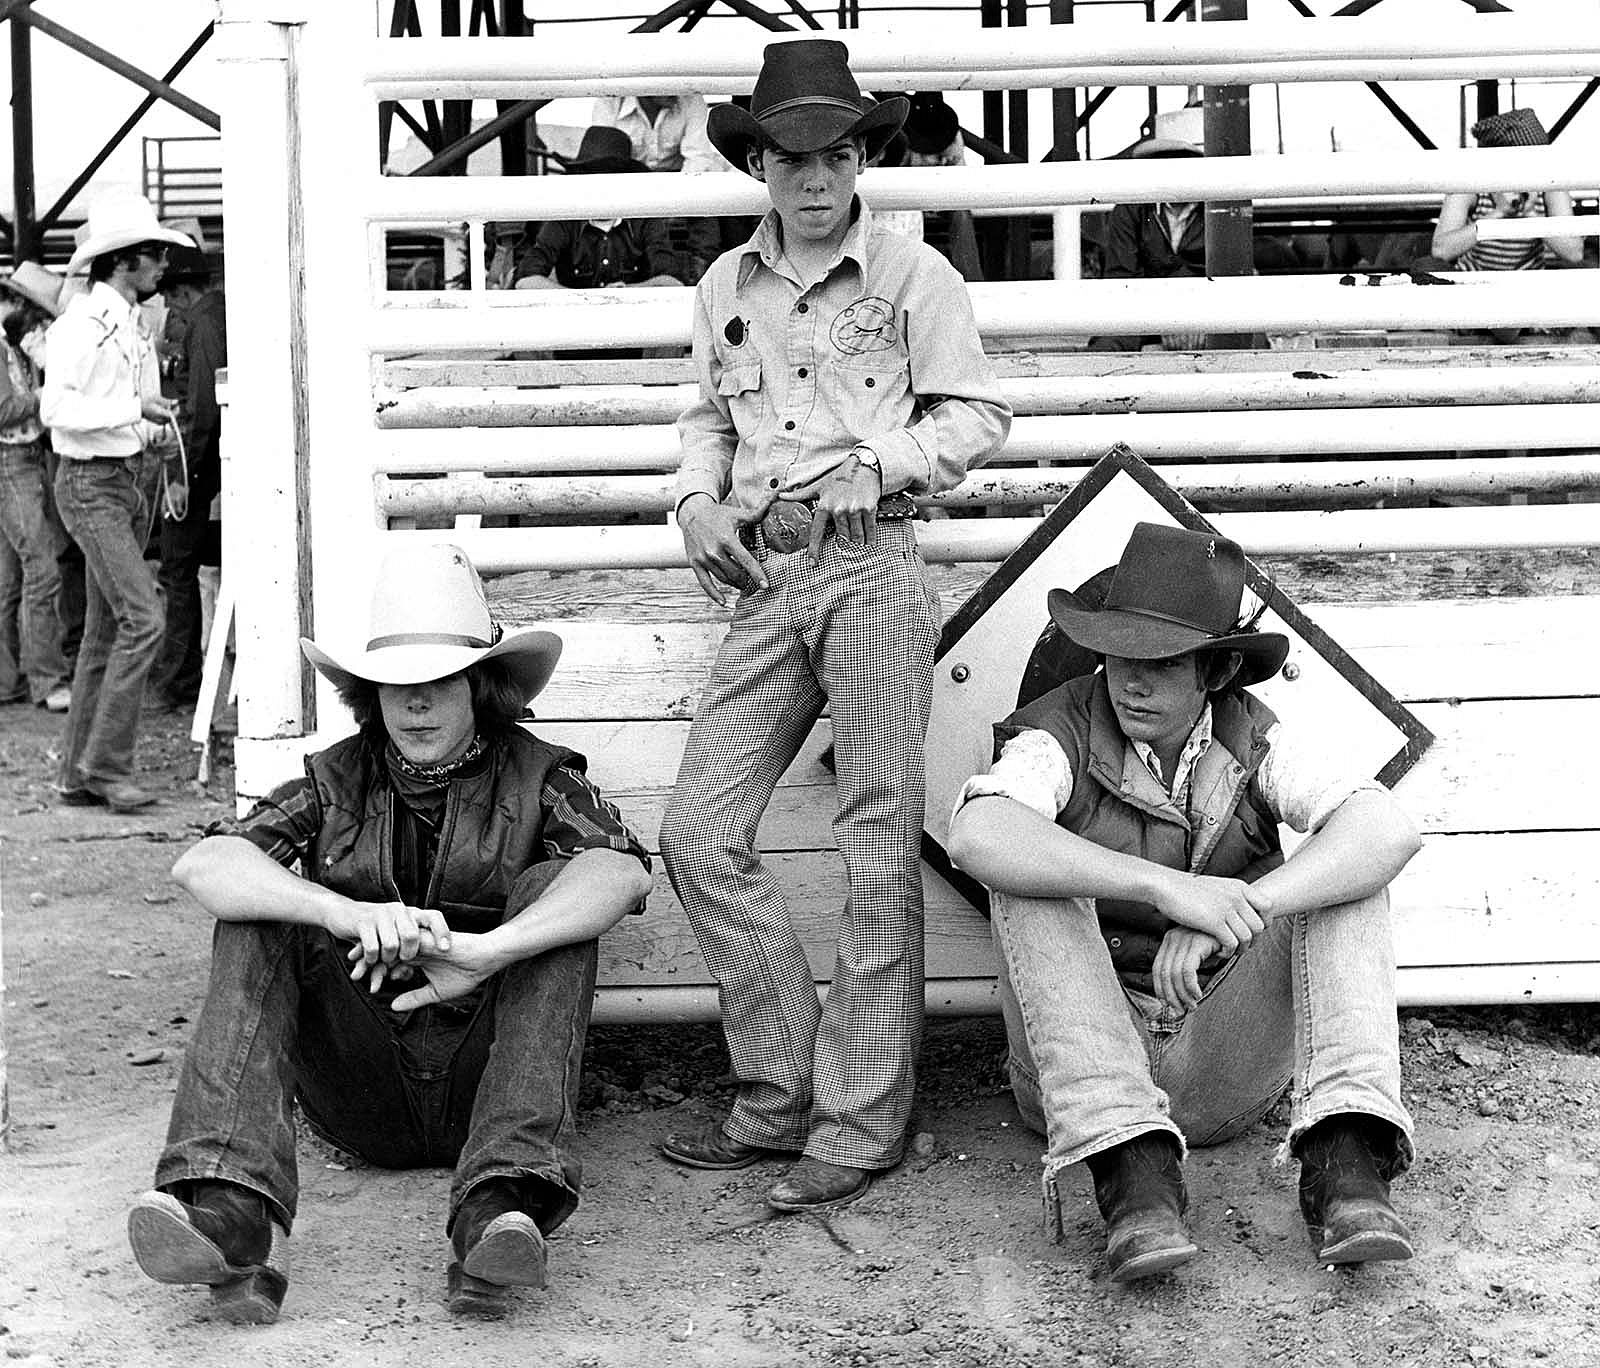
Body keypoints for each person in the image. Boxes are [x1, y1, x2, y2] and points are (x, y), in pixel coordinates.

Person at [656, 39, 1011, 1214]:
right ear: (757, 162)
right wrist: (697, 500)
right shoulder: (723, 287)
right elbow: (708, 417)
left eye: (839, 153)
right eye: (792, 155)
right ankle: (779, 1092)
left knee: (874, 843)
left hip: (872, 565)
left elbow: (979, 413)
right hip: (768, 577)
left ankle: (860, 1125)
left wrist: (885, 461)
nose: (816, 177)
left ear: (865, 158)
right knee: (701, 831)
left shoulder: (914, 276)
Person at [127, 542, 653, 1324]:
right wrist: (343, 911)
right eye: (394, 686)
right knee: (259, 908)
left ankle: (496, 1212)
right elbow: (204, 866)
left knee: (560, 897)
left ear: (480, 685)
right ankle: (227, 1212)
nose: (414, 704)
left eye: (437, 682)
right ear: (370, 696)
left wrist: (487, 952)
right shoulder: (332, 778)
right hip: (362, 1085)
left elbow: (624, 873)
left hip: (492, 1084)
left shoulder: (543, 777)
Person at [945, 523, 1421, 1282]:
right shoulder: (1057, 732)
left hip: (1221, 1064)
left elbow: (1387, 828)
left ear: (1218, 667)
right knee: (1029, 872)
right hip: (1083, 1079)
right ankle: (1134, 1182)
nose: (1133, 681)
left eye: (1162, 662)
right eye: (1120, 653)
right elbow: (977, 835)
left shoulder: (1253, 735)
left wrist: (1238, 911)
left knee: (1349, 874)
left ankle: (1347, 1161)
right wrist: (1167, 887)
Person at [40, 191, 191, 812]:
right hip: (91, 482)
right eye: (154, 254)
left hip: (125, 477)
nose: (162, 265)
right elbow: (56, 411)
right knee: (144, 617)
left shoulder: (125, 324)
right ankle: (106, 765)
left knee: (109, 629)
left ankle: (79, 773)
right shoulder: (81, 324)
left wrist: (154, 435)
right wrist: (136, 411)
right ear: (123, 261)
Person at [148, 243, 226, 712]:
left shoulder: (200, 324)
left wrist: (185, 474)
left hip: (201, 465)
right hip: (219, 464)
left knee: (176, 566)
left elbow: (202, 407)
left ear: (180, 292)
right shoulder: (221, 314)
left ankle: (179, 680)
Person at [0, 262, 72, 713]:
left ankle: (9, 680)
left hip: (15, 462)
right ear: (17, 304)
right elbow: (4, 410)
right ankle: (47, 678)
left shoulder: (9, 347)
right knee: (42, 568)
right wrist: (48, 395)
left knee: (11, 579)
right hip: (12, 462)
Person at [1089, 105, 1208, 352]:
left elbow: (1232, 274)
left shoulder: (1220, 209)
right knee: (1107, 349)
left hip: (1207, 314)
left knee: (1250, 341)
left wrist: (1191, 317)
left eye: (1181, 161)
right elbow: (1121, 278)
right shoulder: (1130, 209)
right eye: (1163, 162)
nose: (1172, 170)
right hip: (1143, 315)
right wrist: (1166, 319)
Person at [512, 125, 686, 291]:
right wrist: (584, 300)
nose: (600, 187)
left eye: (610, 178)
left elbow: (673, 281)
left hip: (633, 316)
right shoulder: (564, 219)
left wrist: (627, 292)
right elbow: (525, 279)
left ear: (624, 183)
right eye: (591, 178)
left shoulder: (645, 219)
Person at [590, 91, 729, 283]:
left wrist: (673, 203)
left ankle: (705, 278)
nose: (675, 89)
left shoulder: (690, 98)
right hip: (630, 184)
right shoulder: (611, 101)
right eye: (666, 83)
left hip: (680, 182)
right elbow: (604, 157)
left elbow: (698, 159)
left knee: (706, 215)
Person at [1426, 109, 1582, 276]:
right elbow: (1440, 250)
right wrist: (1499, 213)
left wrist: (1530, 215)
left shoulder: (1549, 187)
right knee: (1425, 267)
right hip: (1473, 284)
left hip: (1529, 285)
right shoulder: (1471, 185)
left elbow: (1574, 253)